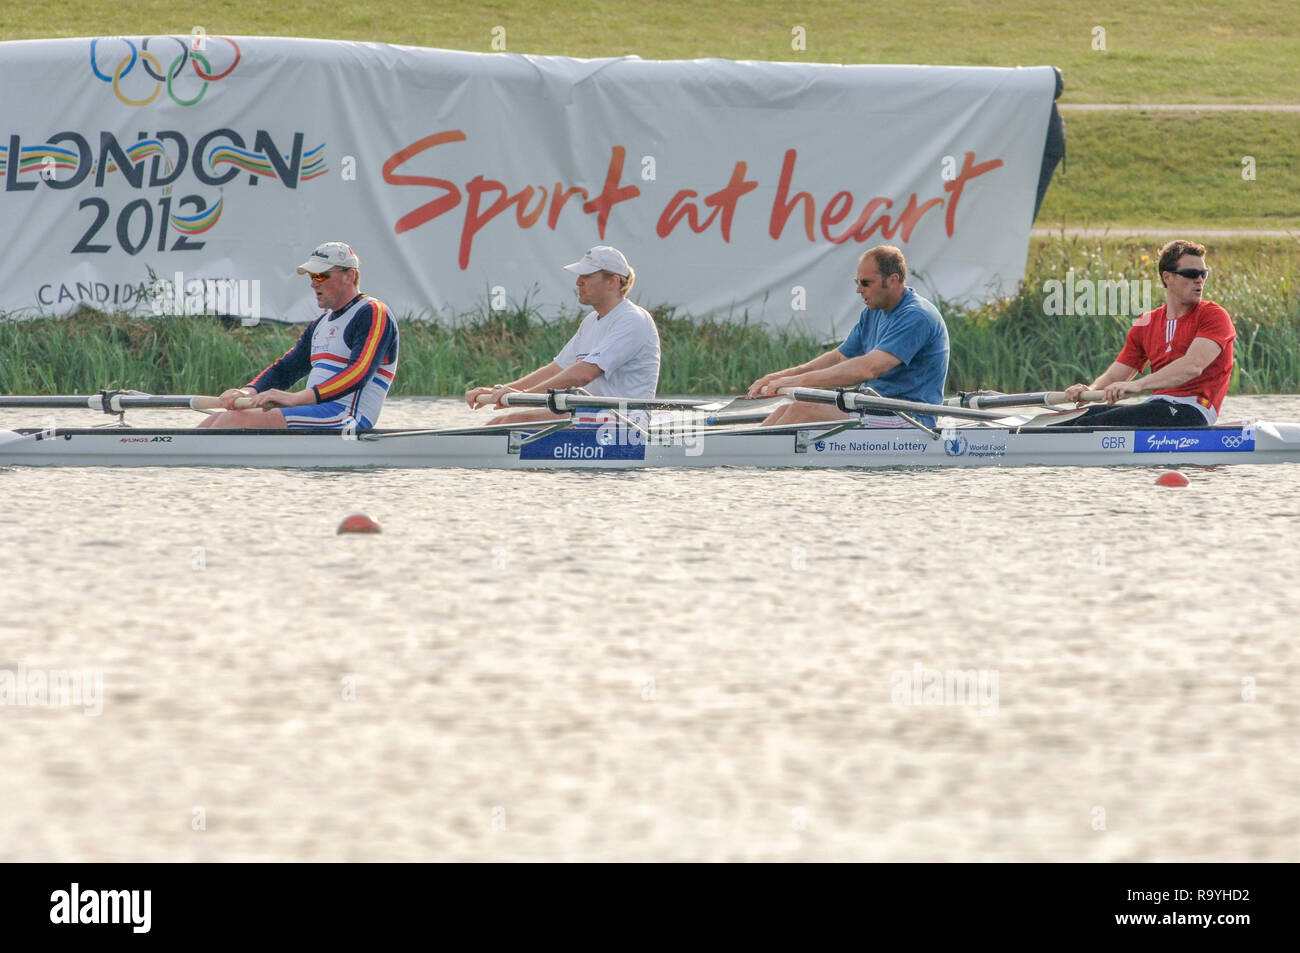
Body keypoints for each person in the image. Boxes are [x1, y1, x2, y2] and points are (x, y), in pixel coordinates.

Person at [199, 242, 398, 430]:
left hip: (347, 417)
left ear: (350, 275)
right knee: (213, 420)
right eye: (311, 276)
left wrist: (296, 398)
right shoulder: (321, 324)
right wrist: (247, 392)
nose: (313, 284)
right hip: (316, 412)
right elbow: (284, 371)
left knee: (230, 421)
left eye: (320, 276)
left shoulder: (373, 312)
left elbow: (359, 373)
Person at [747, 245, 949, 427]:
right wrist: (782, 376)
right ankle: (749, 459)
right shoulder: (874, 312)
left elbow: (867, 369)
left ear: (893, 280)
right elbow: (839, 357)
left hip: (911, 419)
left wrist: (797, 381)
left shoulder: (916, 316)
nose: (859, 290)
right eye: (858, 282)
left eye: (866, 283)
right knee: (787, 410)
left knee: (803, 410)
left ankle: (753, 462)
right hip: (876, 408)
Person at [465, 245, 660, 424]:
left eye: (587, 275)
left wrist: (522, 397)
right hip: (591, 415)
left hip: (625, 424)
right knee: (498, 423)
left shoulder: (632, 320)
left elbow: (584, 374)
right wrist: (501, 390)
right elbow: (558, 368)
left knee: (509, 423)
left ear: (613, 281)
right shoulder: (591, 321)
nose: (578, 281)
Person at [1056, 240, 1234, 426]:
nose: (1199, 280)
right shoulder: (1146, 323)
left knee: (1090, 425)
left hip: (1192, 411)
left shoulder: (1213, 316)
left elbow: (1192, 366)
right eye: (1191, 273)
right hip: (1156, 407)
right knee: (1074, 419)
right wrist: (1088, 390)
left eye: (1203, 274)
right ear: (1167, 277)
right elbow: (1115, 376)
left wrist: (1139, 384)